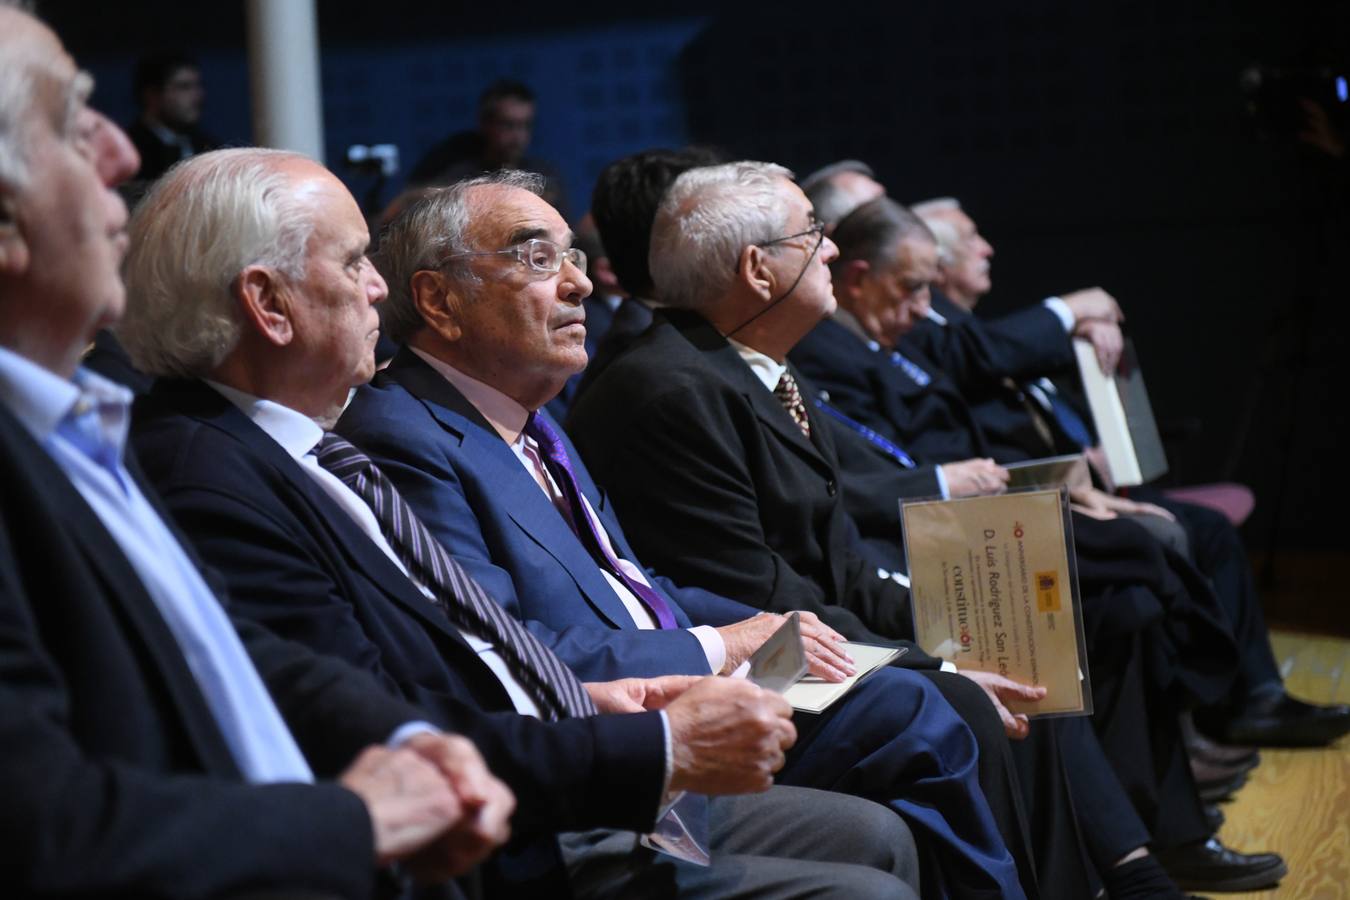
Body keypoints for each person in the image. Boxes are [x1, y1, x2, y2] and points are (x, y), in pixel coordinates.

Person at [117, 147, 925, 900]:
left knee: (878, 835)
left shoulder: (304, 449)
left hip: (562, 742)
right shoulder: (217, 472)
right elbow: (366, 716)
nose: (376, 290)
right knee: (873, 867)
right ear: (267, 303)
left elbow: (456, 650)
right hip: (496, 835)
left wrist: (596, 698)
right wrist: (650, 741)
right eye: (355, 262)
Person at [335, 171, 1034, 900]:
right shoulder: (403, 433)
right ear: (439, 301)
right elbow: (506, 645)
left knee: (925, 713)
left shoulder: (531, 417)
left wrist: (767, 627)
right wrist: (723, 643)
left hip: (685, 678)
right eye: (539, 260)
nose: (578, 284)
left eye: (574, 257)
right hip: (615, 728)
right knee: (917, 711)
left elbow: (638, 587)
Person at [0, 6, 512, 896]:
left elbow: (220, 647)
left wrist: (405, 741)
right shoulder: (190, 456)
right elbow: (41, 831)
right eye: (72, 126)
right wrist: (360, 818)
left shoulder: (81, 422)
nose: (121, 156)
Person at [789, 195, 1291, 893]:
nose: (922, 304)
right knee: (1123, 587)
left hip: (951, 528)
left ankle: (1160, 827)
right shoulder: (800, 360)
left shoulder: (877, 339)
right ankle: (1155, 826)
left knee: (1135, 598)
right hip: (908, 554)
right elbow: (844, 500)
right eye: (812, 244)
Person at [407, 79, 568, 218]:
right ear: (485, 124)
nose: (518, 136)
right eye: (508, 125)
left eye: (525, 125)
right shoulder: (459, 177)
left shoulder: (544, 176)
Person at [124, 51, 218, 184]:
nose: (198, 96)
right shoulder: (131, 151)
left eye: (198, 86)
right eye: (184, 87)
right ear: (152, 95)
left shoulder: (207, 146)